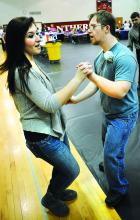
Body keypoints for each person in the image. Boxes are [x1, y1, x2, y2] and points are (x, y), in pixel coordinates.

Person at [0, 17, 89, 217]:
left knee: (62, 166)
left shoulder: (31, 62)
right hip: (42, 136)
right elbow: (49, 104)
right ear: (17, 41)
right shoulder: (21, 71)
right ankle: (50, 197)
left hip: (54, 128)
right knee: (72, 170)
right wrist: (77, 79)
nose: (39, 39)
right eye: (31, 36)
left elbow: (45, 96)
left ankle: (55, 191)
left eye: (37, 33)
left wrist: (66, 97)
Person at [69, 10, 139, 207]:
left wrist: (92, 76)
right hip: (108, 112)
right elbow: (96, 85)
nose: (88, 31)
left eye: (93, 27)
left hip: (123, 116)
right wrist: (76, 99)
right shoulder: (101, 56)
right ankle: (112, 163)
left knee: (110, 153)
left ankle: (119, 189)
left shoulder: (124, 57)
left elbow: (120, 91)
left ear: (106, 28)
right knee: (108, 146)